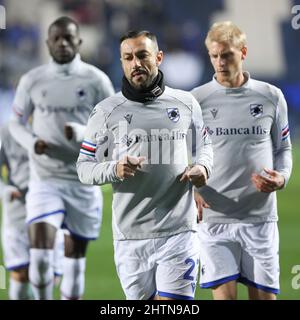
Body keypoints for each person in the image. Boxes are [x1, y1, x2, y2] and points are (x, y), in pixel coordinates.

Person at [77, 30, 213, 300]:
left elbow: (205, 147)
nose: (135, 63)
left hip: (179, 230)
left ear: (159, 57)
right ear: (122, 62)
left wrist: (203, 168)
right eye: (128, 58)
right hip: (130, 236)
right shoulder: (106, 112)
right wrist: (113, 169)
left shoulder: (185, 104)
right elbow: (84, 168)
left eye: (142, 55)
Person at [9, 16, 115, 300]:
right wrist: (33, 143)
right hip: (45, 179)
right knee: (41, 257)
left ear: (79, 41)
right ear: (48, 43)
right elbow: (15, 123)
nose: (63, 43)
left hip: (83, 182)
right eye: (56, 38)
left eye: (69, 38)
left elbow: (117, 127)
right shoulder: (33, 80)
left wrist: (82, 132)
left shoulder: (96, 80)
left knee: (74, 266)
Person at [191, 21, 292, 300]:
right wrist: (191, 190)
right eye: (214, 56)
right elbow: (181, 156)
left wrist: (282, 177)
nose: (220, 62)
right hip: (214, 220)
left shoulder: (271, 96)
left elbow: (283, 149)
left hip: (259, 218)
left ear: (243, 52)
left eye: (227, 55)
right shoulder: (196, 101)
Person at [0, 124, 64, 299]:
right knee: (20, 272)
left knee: (47, 273)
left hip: (48, 208)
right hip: (17, 210)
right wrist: (4, 190)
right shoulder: (5, 131)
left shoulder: (52, 128)